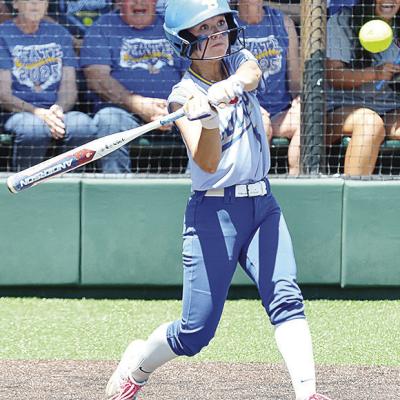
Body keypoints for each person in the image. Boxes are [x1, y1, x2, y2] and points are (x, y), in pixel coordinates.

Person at [105, 1, 333, 400]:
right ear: (183, 40)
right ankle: (138, 368)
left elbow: (252, 71)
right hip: (214, 212)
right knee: (195, 332)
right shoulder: (181, 97)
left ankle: (307, 393)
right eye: (203, 28)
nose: (216, 34)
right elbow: (207, 160)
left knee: (285, 295)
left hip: (262, 205)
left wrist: (230, 87)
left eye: (219, 25)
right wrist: (205, 115)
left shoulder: (238, 58)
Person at [80, 0, 185, 173]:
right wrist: (139, 105)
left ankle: (195, 189)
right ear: (120, 2)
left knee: (207, 116)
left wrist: (175, 107)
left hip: (175, 110)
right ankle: (116, 192)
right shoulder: (102, 28)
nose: (139, 2)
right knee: (108, 119)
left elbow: (193, 73)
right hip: (124, 113)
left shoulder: (173, 28)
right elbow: (97, 79)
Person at [0, 0, 96, 171]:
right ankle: (25, 188)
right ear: (15, 4)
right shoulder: (3, 35)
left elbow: (68, 85)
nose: (35, 3)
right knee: (33, 130)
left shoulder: (59, 33)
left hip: (55, 111)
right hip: (17, 111)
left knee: (83, 125)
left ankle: (70, 186)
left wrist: (58, 109)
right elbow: (4, 95)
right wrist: (38, 113)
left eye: (41, 0)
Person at [326, 0, 400, 175]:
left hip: (390, 107)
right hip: (341, 109)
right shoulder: (342, 22)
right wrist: (375, 73)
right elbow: (334, 76)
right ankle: (355, 196)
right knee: (370, 123)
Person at [236, 0, 301, 175]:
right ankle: (252, 188)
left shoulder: (283, 22)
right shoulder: (228, 26)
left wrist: (299, 99)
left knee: (306, 121)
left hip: (279, 112)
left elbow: (294, 78)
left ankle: (299, 183)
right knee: (261, 124)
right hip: (242, 112)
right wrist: (250, 105)